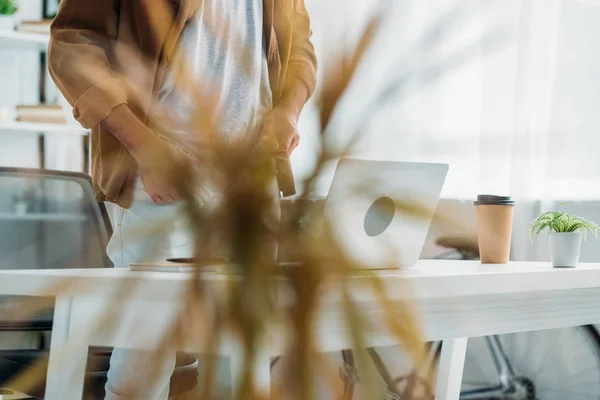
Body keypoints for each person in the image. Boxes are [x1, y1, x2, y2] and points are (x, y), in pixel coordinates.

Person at [48, 0, 317, 398]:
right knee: (145, 361)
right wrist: (144, 146)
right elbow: (72, 44)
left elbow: (300, 50)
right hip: (162, 174)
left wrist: (289, 110)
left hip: (251, 181)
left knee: (242, 362)